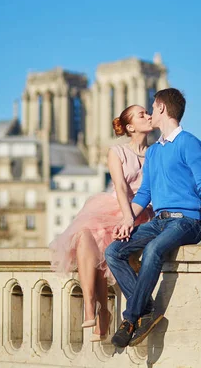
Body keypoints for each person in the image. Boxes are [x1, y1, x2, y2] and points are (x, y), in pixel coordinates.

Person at [105, 88, 201, 348]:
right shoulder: (153, 152)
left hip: (186, 221)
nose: (150, 112)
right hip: (158, 221)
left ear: (162, 108)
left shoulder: (190, 142)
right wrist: (127, 219)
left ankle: (130, 318)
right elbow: (144, 193)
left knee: (153, 249)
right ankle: (146, 309)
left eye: (152, 108)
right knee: (114, 251)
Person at [50, 105, 154, 342]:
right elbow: (119, 186)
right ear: (130, 127)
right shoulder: (117, 151)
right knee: (86, 235)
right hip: (115, 206)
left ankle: (103, 312)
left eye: (148, 112)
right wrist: (126, 216)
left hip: (141, 211)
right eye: (142, 115)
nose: (148, 116)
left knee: (101, 248)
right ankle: (90, 306)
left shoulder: (156, 152)